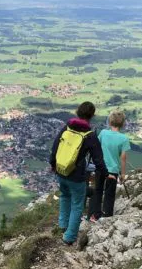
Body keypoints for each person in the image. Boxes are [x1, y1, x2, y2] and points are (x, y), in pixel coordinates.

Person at [50, 102, 107, 245]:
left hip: (61, 171)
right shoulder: (89, 135)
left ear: (77, 112)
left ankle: (63, 225)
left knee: (65, 197)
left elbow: (55, 148)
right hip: (77, 176)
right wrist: (106, 174)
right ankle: (69, 237)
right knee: (77, 204)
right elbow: (98, 160)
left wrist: (53, 165)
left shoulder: (67, 127)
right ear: (92, 116)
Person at [91, 110, 131, 221]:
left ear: (109, 122)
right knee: (109, 193)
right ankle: (107, 216)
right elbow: (123, 158)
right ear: (122, 124)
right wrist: (123, 174)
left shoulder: (103, 133)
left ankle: (95, 215)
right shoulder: (124, 139)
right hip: (113, 170)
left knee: (98, 190)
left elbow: (97, 148)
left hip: (100, 168)